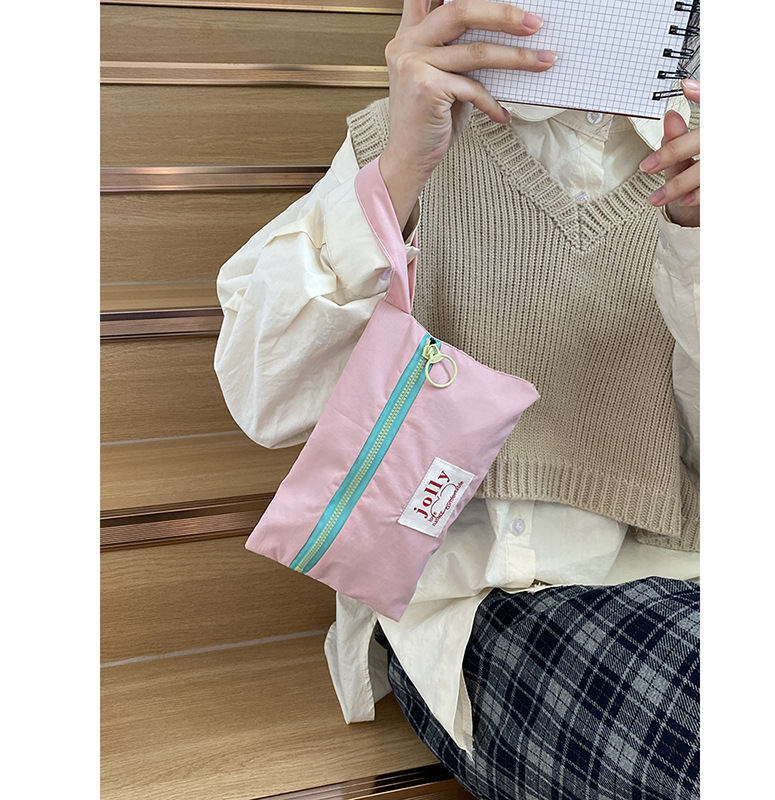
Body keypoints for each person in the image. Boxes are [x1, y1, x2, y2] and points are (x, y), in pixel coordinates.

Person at [214, 2, 701, 798]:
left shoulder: (707, 158)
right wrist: (399, 170)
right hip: (478, 602)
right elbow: (265, 397)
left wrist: (704, 245)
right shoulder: (407, 134)